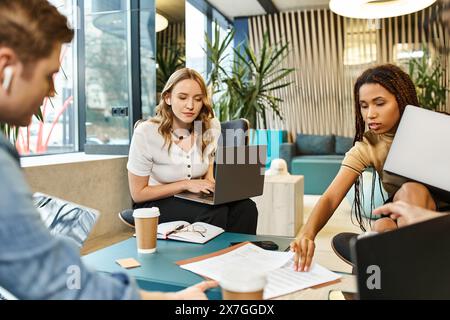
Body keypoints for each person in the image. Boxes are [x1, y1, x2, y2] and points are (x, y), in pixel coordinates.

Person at [0, 0, 216, 300]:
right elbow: (55, 282)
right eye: (48, 74)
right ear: (4, 67)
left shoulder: (207, 130)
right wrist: (169, 299)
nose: (51, 90)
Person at [290, 64, 449, 272]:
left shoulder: (438, 128)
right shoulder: (368, 146)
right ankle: (378, 272)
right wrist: (307, 234)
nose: (370, 114)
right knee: (382, 227)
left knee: (411, 192)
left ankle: (385, 261)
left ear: (401, 101)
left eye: (379, 103)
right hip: (399, 214)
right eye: (364, 106)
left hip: (441, 214)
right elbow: (330, 197)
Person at [119, 68, 259, 234]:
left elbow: (209, 161)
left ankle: (238, 255)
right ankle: (207, 259)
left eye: (198, 99)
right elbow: (139, 194)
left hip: (193, 198)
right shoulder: (146, 132)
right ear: (168, 98)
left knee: (247, 208)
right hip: (155, 202)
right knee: (214, 213)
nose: (191, 106)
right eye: (182, 97)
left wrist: (211, 181)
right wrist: (186, 184)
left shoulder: (210, 126)